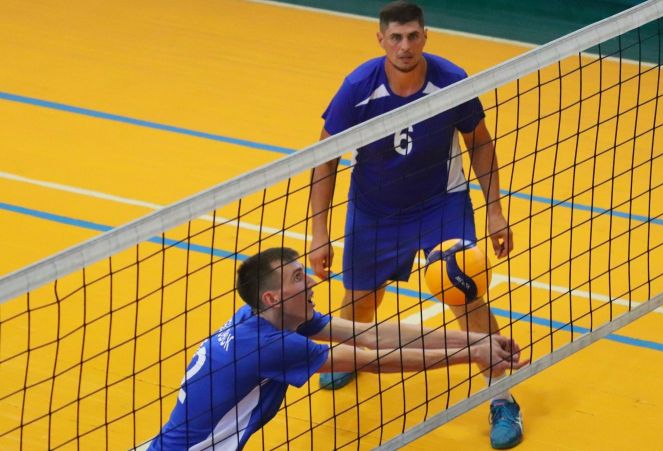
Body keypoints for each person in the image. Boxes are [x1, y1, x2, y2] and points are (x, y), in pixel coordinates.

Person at [309, 1, 521, 448]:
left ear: (425, 37)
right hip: (375, 211)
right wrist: (319, 233)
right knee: (361, 302)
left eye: (412, 36)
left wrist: (494, 209)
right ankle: (350, 354)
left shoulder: (451, 80)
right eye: (396, 37)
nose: (404, 46)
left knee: (466, 295)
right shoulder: (358, 88)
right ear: (381, 40)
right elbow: (324, 159)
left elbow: (480, 143)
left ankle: (502, 397)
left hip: (439, 205)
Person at [146, 247, 525, 450]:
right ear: (272, 297)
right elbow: (374, 361)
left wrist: (477, 340)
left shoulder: (262, 316)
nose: (312, 281)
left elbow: (371, 336)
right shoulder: (271, 346)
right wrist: (472, 355)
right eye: (299, 277)